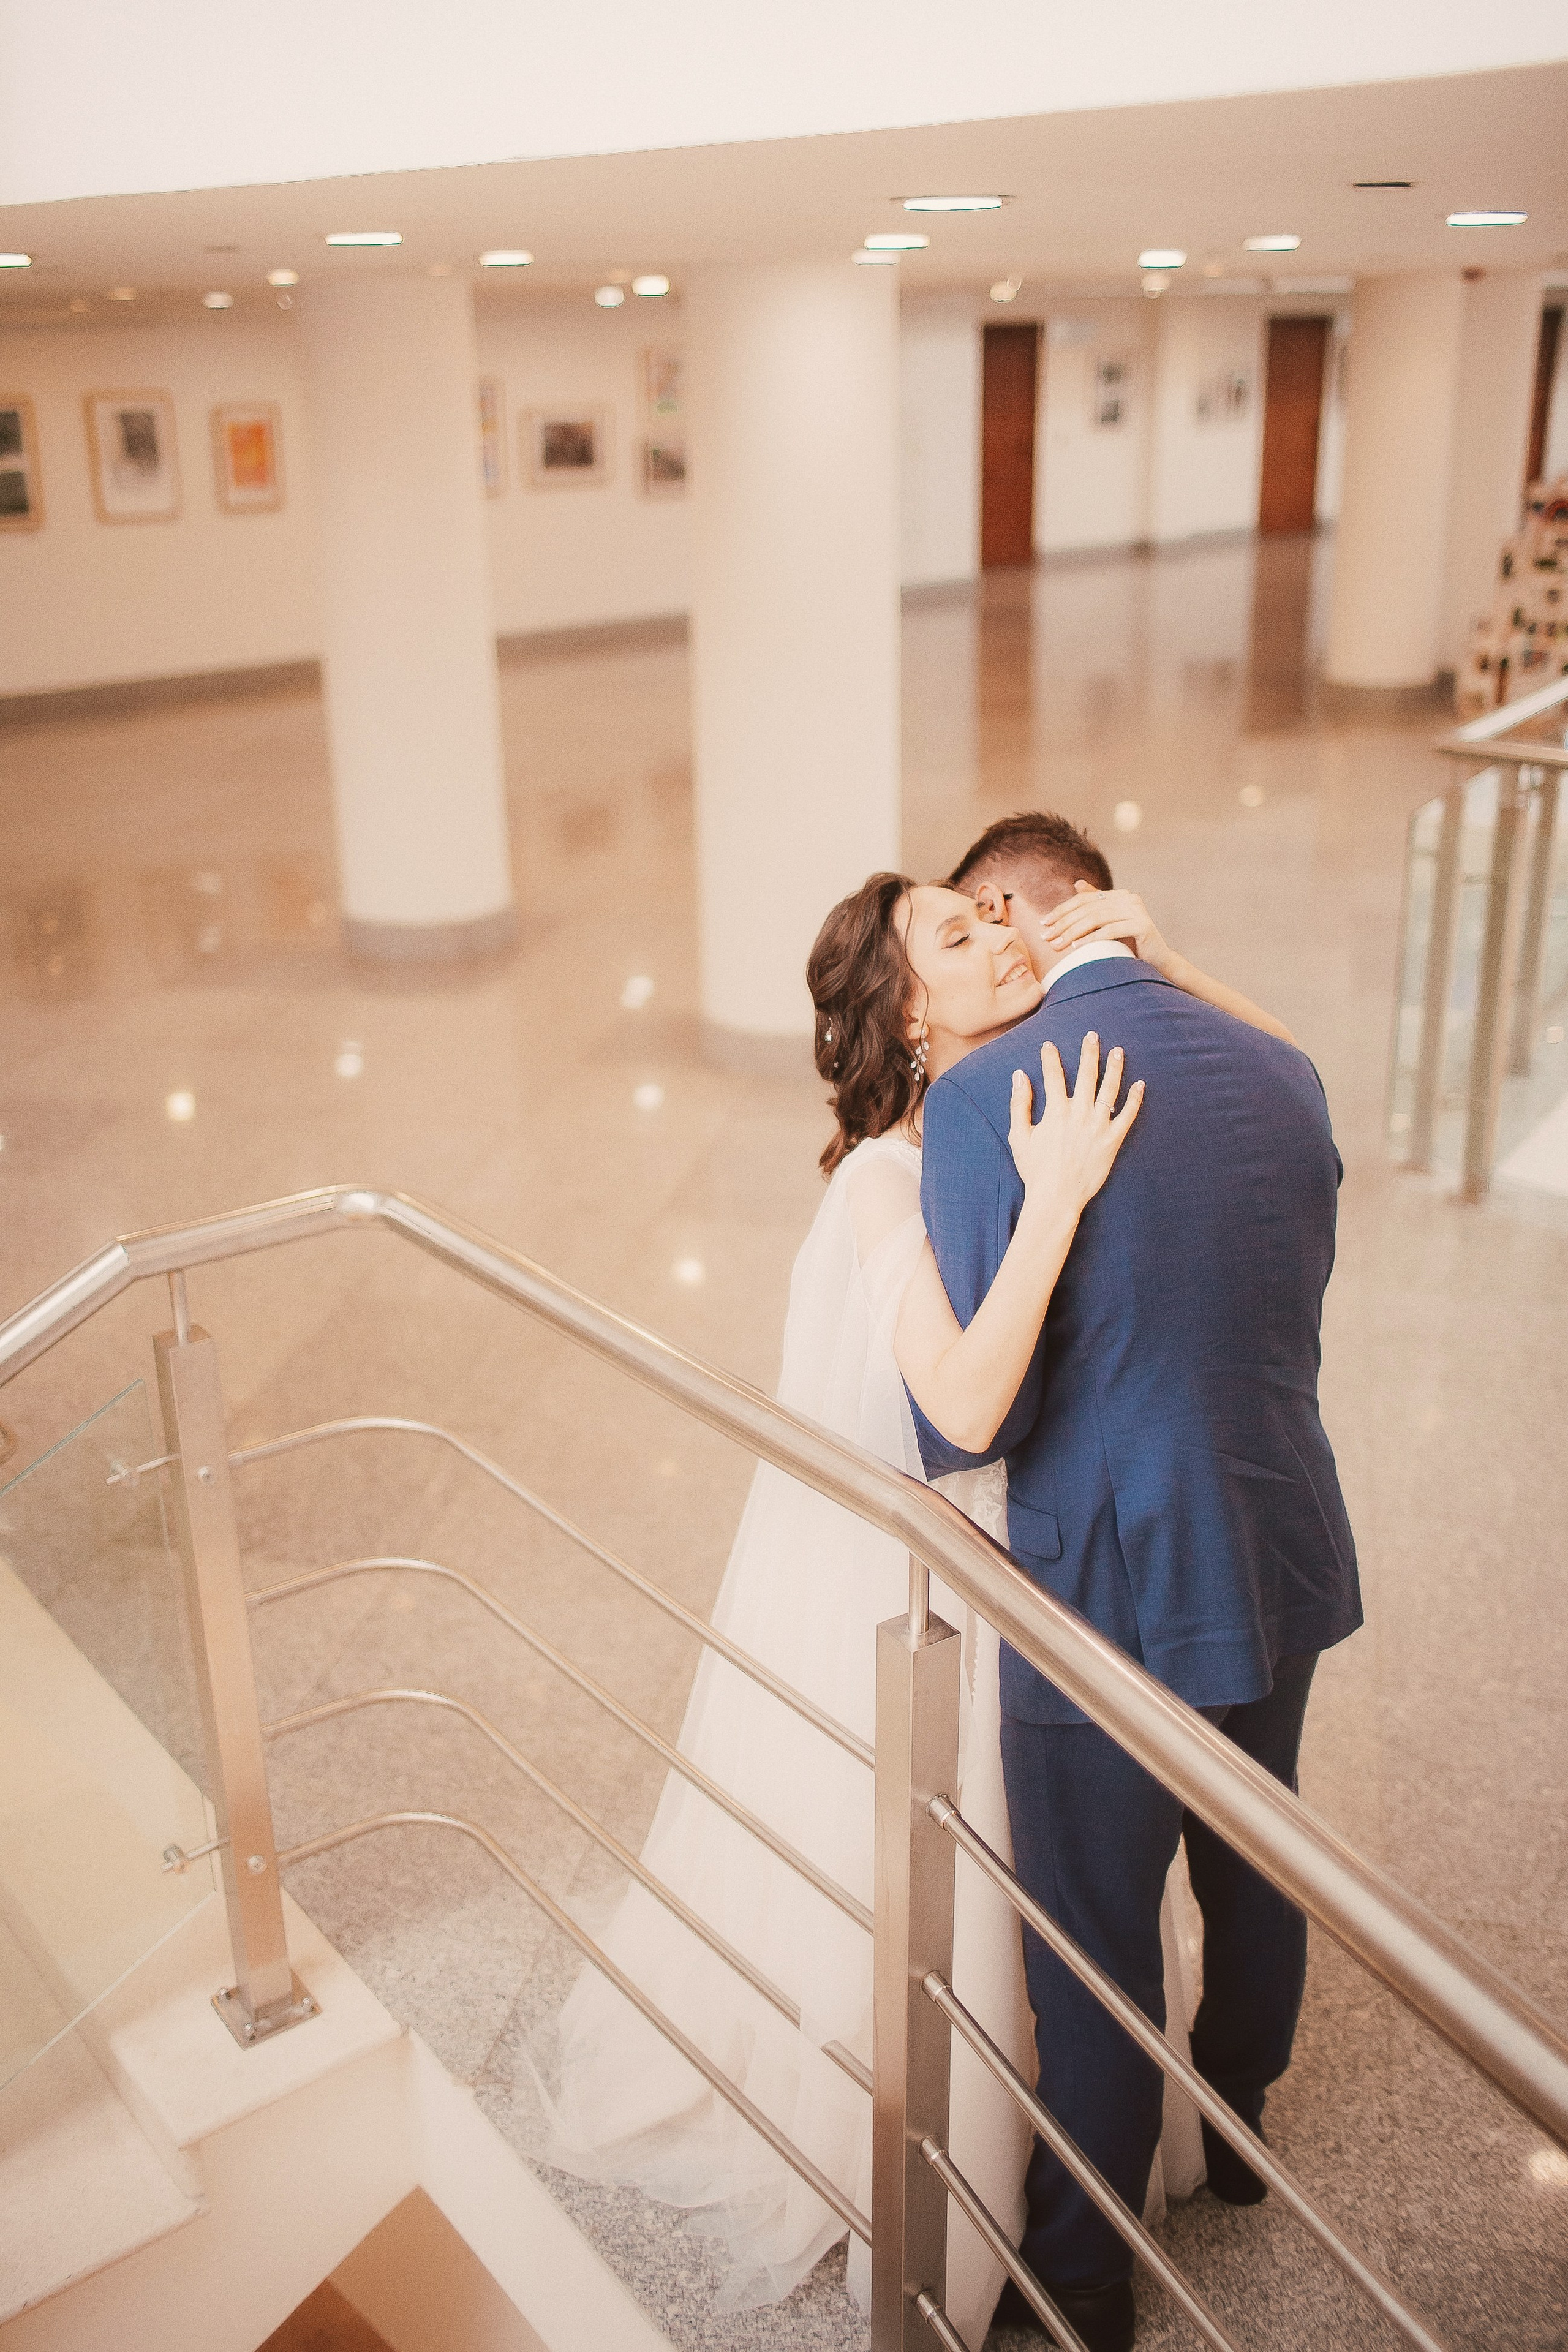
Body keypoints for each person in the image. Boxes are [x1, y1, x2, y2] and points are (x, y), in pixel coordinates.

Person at [550, 838, 1291, 2346]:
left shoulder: (1022, 1091)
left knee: (1066, 1900)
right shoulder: (884, 1180)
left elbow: (1276, 1083)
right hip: (946, 1592)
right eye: (962, 935)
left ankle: (1069, 2160)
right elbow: (959, 1400)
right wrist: (1055, 1199)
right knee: (970, 1892)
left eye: (997, 918)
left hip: (1054, 1570)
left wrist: (1158, 964)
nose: (1005, 937)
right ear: (904, 1014)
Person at [918, 812, 1362, 2352]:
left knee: (1092, 1939)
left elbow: (976, 1419)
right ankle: (1237, 2123)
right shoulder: (1277, 1063)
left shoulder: (987, 1099)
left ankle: (1085, 2274)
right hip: (1281, 1533)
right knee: (1254, 1847)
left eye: (979, 919)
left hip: (1103, 1583)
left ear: (1011, 911)